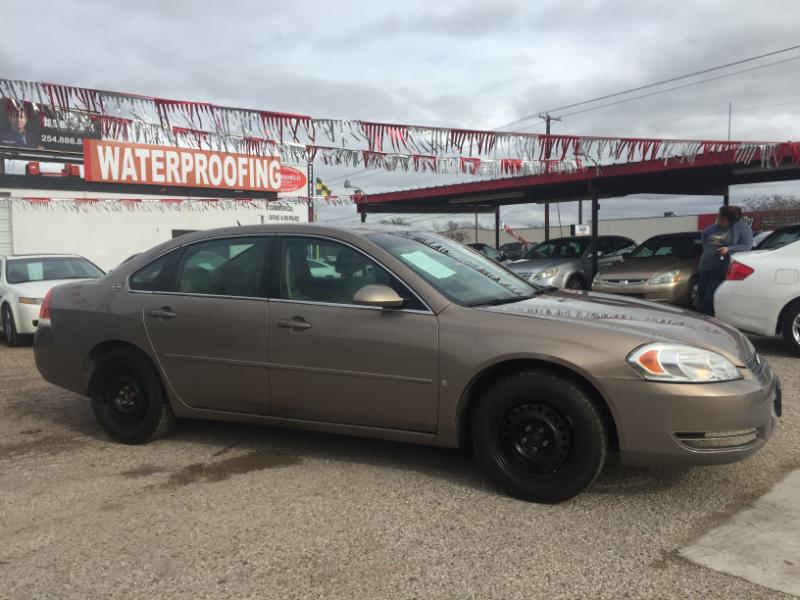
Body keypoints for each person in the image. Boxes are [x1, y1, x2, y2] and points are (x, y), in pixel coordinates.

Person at [697, 205, 753, 316]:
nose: (718, 218)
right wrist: (708, 250)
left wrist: (729, 249)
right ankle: (704, 320)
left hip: (720, 269)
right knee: (701, 297)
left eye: (720, 216)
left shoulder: (741, 228)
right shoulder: (713, 228)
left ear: (727, 219)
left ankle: (708, 324)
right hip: (705, 267)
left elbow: (747, 246)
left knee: (709, 300)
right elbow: (704, 236)